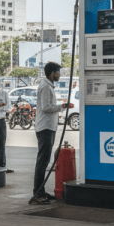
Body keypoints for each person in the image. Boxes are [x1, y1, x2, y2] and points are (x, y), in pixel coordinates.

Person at [31, 61, 68, 205]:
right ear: (52, 73)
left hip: (48, 127)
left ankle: (41, 190)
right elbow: (46, 107)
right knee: (42, 161)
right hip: (45, 127)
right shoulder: (46, 86)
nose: (59, 75)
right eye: (58, 72)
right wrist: (60, 107)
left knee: (44, 160)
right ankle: (37, 193)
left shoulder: (48, 86)